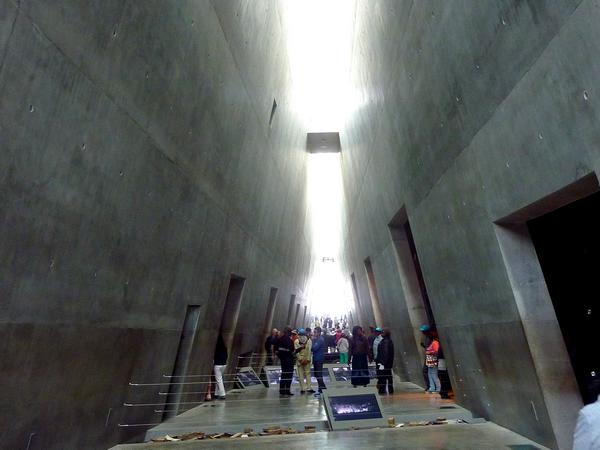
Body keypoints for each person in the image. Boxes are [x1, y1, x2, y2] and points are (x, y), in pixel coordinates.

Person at [276, 326, 295, 396]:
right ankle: (287, 390)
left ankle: (282, 390)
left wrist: (281, 357)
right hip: (289, 361)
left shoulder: (280, 339)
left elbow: (277, 350)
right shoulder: (290, 341)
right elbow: (292, 351)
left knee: (283, 374)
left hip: (283, 360)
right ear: (288, 332)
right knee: (289, 375)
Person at [375, 328, 394, 394]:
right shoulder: (388, 341)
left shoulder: (385, 342)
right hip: (387, 363)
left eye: (383, 332)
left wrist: (382, 363)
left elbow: (385, 353)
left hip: (383, 363)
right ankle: (390, 390)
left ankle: (382, 390)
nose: (381, 333)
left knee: (382, 377)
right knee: (388, 377)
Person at [294, 328, 313, 394]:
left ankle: (303, 388)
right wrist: (308, 359)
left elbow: (296, 352)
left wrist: (300, 359)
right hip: (307, 360)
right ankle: (309, 387)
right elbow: (309, 351)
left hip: (300, 361)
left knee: (300, 374)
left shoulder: (296, 341)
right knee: (307, 374)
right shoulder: (309, 341)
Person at [311, 327, 327, 395]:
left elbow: (314, 348)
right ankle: (321, 388)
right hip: (316, 358)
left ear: (319, 333)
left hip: (319, 359)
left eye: (315, 332)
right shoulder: (318, 339)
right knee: (317, 374)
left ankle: (323, 388)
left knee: (318, 374)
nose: (314, 333)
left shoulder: (320, 340)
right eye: (314, 332)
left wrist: (312, 341)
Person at [213, 333, 228, 400]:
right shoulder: (224, 348)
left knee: (219, 379)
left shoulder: (216, 348)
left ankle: (222, 394)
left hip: (217, 365)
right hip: (224, 364)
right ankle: (216, 393)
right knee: (219, 379)